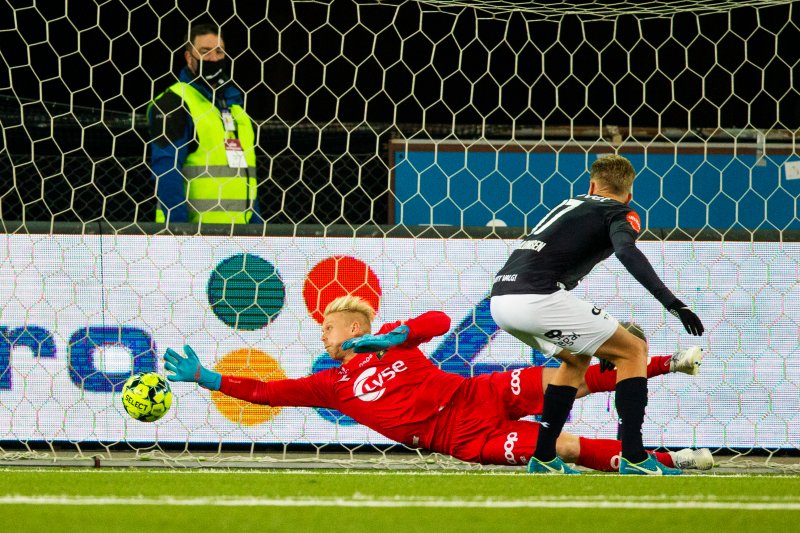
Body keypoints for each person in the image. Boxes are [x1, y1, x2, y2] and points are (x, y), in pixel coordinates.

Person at [163, 295, 713, 473]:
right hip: (459, 439)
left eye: (328, 326)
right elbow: (269, 392)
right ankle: (671, 461)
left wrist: (393, 337)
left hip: (477, 393)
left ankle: (669, 362)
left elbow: (437, 323)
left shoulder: (391, 342)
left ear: (354, 326)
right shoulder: (331, 385)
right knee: (563, 446)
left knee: (571, 379)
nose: (323, 333)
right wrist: (206, 376)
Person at [490, 154, 704, 475]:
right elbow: (626, 251)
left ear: (591, 184)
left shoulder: (571, 203)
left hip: (502, 299)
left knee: (575, 360)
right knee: (632, 348)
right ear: (629, 194)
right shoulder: (620, 211)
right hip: (537, 296)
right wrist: (671, 301)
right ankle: (634, 456)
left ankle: (545, 458)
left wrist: (596, 340)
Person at [148, 22, 261, 224]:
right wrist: (179, 231)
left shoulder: (235, 108)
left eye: (219, 51)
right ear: (188, 57)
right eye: (205, 52)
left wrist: (257, 228)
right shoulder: (175, 101)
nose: (213, 58)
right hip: (196, 236)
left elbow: (247, 177)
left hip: (240, 236)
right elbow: (166, 169)